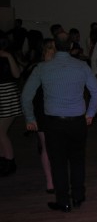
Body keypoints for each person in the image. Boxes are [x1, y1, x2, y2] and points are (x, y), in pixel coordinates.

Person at [21, 31, 97, 212]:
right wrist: (90, 113)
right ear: (71, 46)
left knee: (58, 162)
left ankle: (63, 200)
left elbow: (26, 96)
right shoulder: (81, 66)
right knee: (78, 160)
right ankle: (78, 196)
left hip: (53, 123)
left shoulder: (42, 68)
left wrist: (30, 118)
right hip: (77, 122)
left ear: (55, 46)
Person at [22, 38, 56, 191]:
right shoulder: (37, 68)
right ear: (44, 50)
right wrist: (30, 117)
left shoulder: (59, 66)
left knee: (56, 146)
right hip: (42, 111)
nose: (53, 50)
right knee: (47, 146)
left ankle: (56, 176)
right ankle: (50, 181)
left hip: (58, 111)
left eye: (54, 47)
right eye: (50, 48)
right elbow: (26, 96)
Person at [0, 32, 22, 176]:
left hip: (7, 95)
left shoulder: (7, 55)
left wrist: (8, 56)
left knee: (1, 132)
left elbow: (17, 75)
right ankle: (4, 160)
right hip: (4, 94)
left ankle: (9, 161)